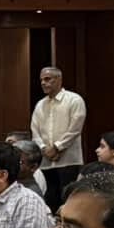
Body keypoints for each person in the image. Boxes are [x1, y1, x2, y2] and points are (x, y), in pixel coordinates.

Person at [29, 65, 87, 206]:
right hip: (46, 160)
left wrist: (56, 147)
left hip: (69, 160)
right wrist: (44, 149)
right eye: (41, 80)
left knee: (68, 198)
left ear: (59, 79)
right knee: (50, 199)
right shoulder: (40, 105)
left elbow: (75, 129)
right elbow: (35, 131)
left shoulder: (74, 100)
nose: (43, 83)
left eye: (47, 79)